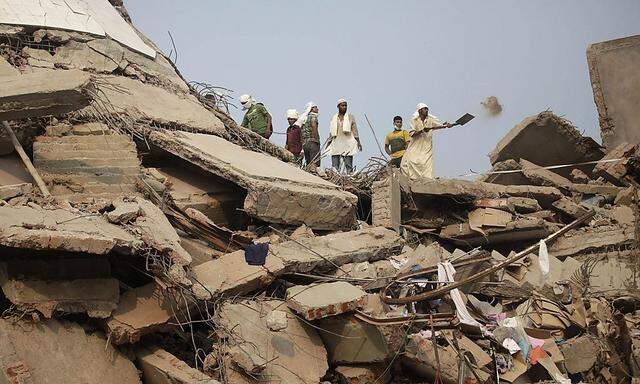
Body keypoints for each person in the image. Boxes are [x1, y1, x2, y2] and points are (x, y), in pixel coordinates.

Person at [400, 103, 452, 179]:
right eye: (425, 109)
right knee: (408, 161)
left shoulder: (430, 120)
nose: (427, 110)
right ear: (420, 111)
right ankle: (412, 179)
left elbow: (438, 125)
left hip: (426, 145)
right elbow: (411, 133)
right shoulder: (414, 120)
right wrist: (422, 131)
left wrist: (446, 125)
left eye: (427, 109)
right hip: (415, 145)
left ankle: (427, 179)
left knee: (426, 162)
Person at [327, 98, 361, 174]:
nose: (344, 107)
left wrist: (358, 142)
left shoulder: (350, 117)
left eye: (345, 105)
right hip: (336, 142)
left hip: (347, 143)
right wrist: (328, 143)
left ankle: (349, 176)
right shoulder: (334, 118)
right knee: (335, 165)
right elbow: (331, 132)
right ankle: (335, 177)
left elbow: (355, 130)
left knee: (348, 165)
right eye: (342, 105)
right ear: (338, 106)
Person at [297, 101, 321, 169]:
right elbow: (314, 126)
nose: (317, 109)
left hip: (305, 144)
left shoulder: (304, 118)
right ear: (311, 109)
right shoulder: (313, 116)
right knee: (315, 162)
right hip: (312, 142)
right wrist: (317, 140)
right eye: (316, 107)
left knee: (308, 162)